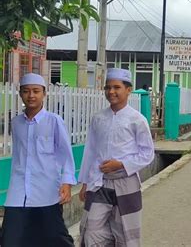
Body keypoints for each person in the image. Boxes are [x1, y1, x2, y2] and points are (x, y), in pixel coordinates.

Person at [78, 68, 155, 247]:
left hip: (126, 182)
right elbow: (90, 151)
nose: (111, 91)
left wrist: (120, 164)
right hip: (99, 183)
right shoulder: (98, 118)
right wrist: (85, 184)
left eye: (116, 87)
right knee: (91, 229)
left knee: (126, 233)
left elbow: (147, 153)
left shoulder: (137, 120)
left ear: (128, 90)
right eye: (108, 87)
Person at [1, 73, 76, 247]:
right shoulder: (16, 123)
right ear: (20, 94)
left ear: (44, 93)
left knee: (56, 238)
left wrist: (67, 182)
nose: (31, 95)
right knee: (10, 238)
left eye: (36, 91)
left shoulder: (54, 121)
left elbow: (65, 153)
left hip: (47, 191)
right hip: (18, 191)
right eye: (26, 91)